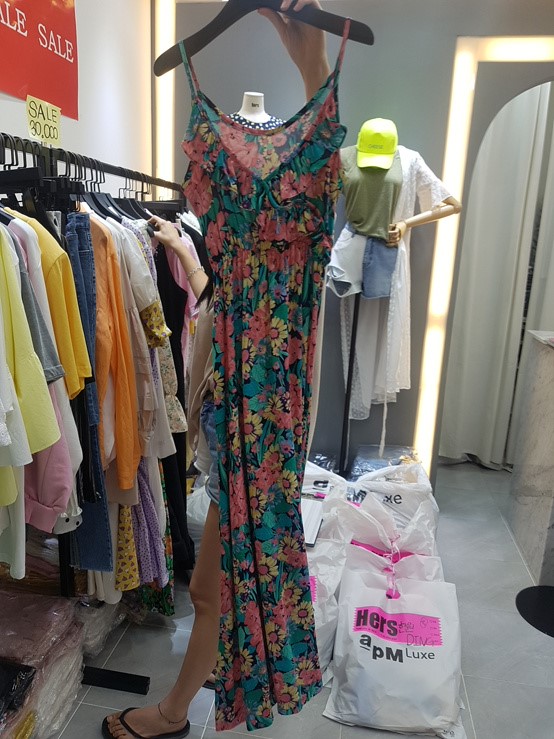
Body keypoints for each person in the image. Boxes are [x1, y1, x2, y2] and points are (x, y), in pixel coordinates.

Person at [102, 2, 331, 737]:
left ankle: (177, 711)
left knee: (218, 581)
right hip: (239, 404)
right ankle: (191, 698)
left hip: (265, 412)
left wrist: (313, 63)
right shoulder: (229, 156)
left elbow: (322, 139)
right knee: (216, 583)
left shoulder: (312, 159)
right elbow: (221, 295)